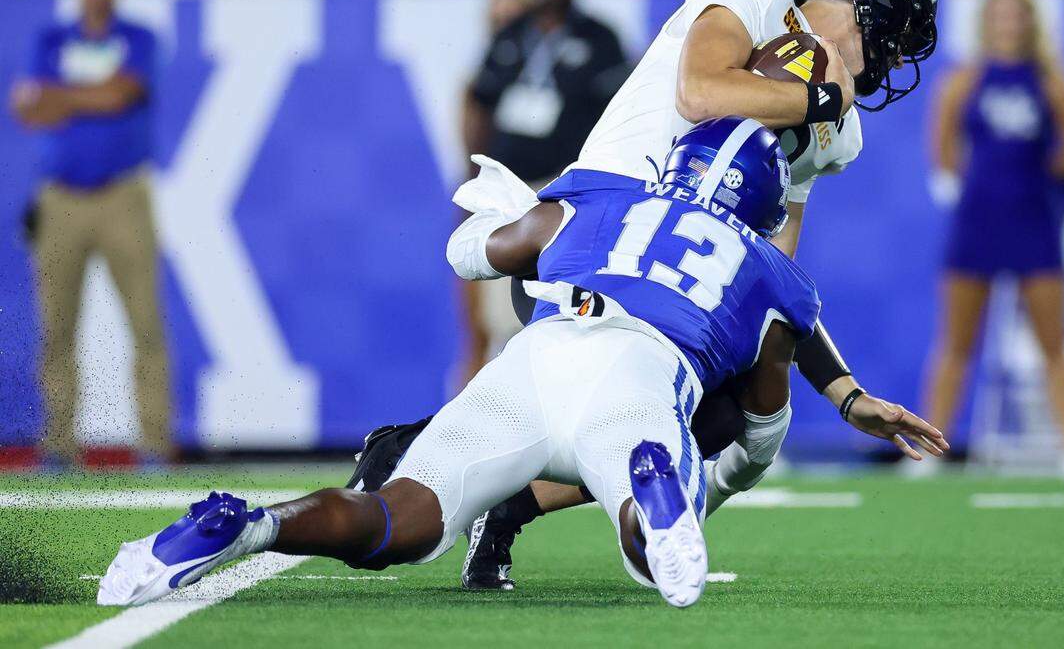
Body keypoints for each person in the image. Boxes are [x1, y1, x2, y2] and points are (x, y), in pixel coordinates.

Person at [350, 0, 944, 590]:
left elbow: (760, 274)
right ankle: (424, 457)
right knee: (673, 409)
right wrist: (820, 94)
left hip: (678, 286)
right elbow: (702, 91)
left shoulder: (839, 134)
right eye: (892, 38)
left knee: (728, 407)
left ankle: (504, 506)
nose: (891, 63)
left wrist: (846, 393)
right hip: (587, 241)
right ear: (862, 4)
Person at [100, 119, 880, 609]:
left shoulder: (604, 201)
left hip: (533, 361)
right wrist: (716, 478)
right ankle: (652, 490)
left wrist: (510, 213)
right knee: (657, 555)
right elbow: (761, 426)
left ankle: (249, 523)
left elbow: (469, 252)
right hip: (636, 379)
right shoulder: (776, 275)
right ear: (760, 206)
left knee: (397, 521)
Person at [9, 0, 170, 468]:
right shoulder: (51, 39)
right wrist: (93, 95)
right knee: (56, 325)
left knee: (144, 321)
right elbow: (33, 112)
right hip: (61, 199)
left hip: (123, 193)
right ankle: (58, 441)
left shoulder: (138, 37)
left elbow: (119, 94)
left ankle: (154, 441)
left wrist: (63, 97)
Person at [921, 0, 1064, 478]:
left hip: (1034, 225)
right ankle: (930, 451)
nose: (1007, 23)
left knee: (1054, 345)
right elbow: (944, 151)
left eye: (1016, 14)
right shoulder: (964, 80)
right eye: (998, 14)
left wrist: (1035, 194)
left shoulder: (1051, 80)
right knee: (955, 345)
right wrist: (984, 189)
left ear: (1029, 21)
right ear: (987, 21)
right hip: (976, 224)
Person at [459, 0, 628, 382]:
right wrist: (471, 170)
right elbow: (478, 99)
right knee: (495, 315)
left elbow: (618, 117)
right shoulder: (514, 31)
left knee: (557, 304)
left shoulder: (600, 39)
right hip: (509, 187)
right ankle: (487, 418)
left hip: (563, 191)